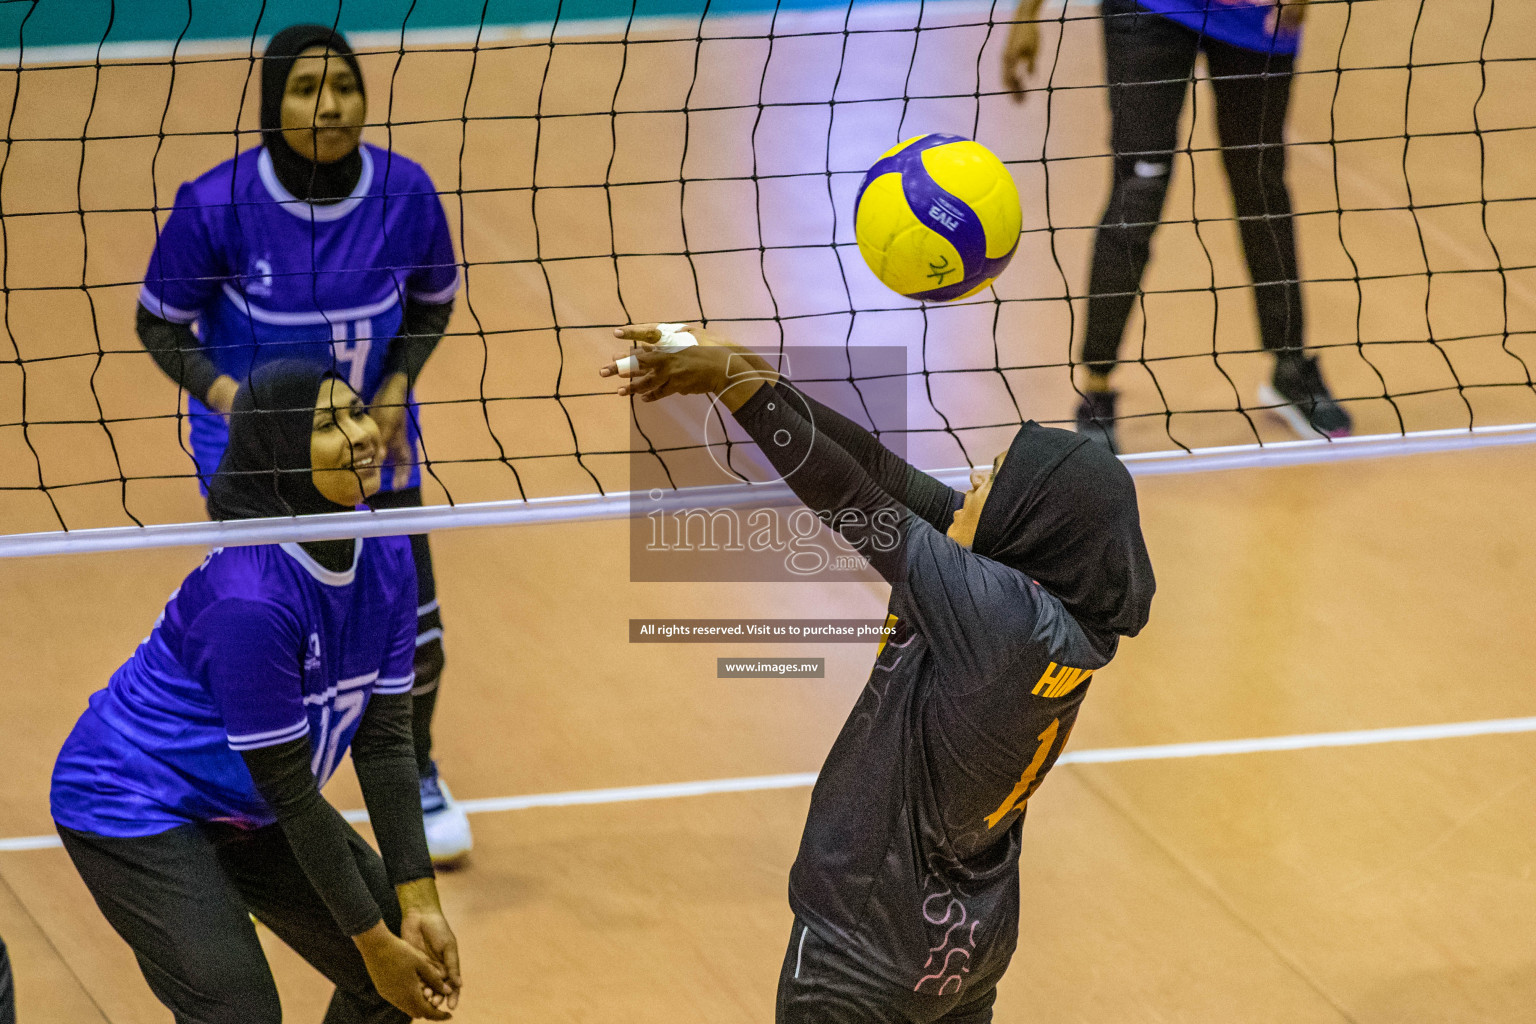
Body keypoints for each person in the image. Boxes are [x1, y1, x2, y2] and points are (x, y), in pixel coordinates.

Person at [601, 327, 1155, 1023]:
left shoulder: (996, 615)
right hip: (964, 945)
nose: (973, 481)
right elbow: (883, 472)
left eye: (993, 475)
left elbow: (855, 499)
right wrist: (749, 376)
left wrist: (737, 391)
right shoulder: (1047, 613)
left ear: (1029, 523)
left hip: (861, 953)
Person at [135, 24, 472, 862]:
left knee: (415, 631)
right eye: (306, 89)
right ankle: (235, 799)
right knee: (263, 636)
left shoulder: (405, 192)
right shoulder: (215, 205)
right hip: (255, 471)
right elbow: (159, 322)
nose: (330, 106)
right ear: (271, 102)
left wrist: (395, 384)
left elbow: (432, 301)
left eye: (346, 86)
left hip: (370, 452)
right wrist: (228, 397)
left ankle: (418, 773)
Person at [51, 360, 462, 1024]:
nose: (361, 433)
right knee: (241, 1010)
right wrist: (374, 946)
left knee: (402, 966)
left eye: (357, 413)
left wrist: (418, 905)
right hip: (134, 801)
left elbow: (386, 744)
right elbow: (291, 791)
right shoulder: (251, 598)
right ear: (281, 450)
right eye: (328, 424)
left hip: (246, 802)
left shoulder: (387, 554)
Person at [1003, 0, 1351, 452]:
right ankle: (1097, 387)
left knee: (1261, 186)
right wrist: (1026, 14)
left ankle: (1290, 370)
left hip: (1257, 15)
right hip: (1150, 9)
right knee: (1139, 190)